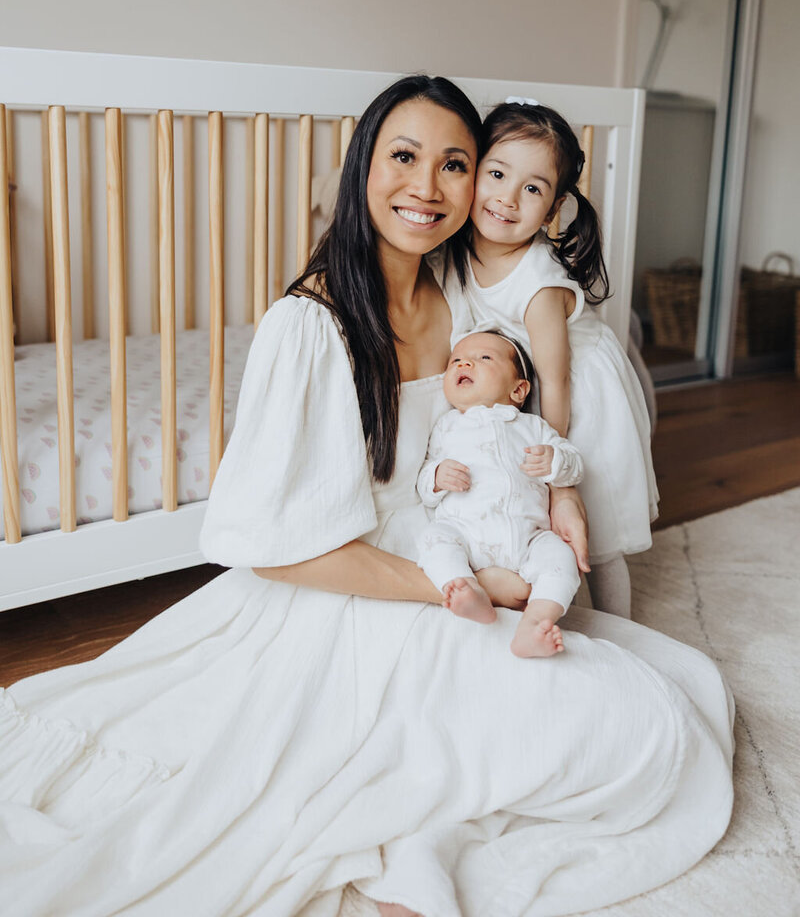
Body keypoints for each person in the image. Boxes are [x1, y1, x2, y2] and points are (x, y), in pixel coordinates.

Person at [0, 76, 732, 917]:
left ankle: (430, 817)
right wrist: (464, 587)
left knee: (669, 711)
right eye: (404, 157)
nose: (427, 187)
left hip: (447, 541)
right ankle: (415, 822)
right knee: (631, 735)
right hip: (360, 581)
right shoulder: (310, 326)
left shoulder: (457, 293)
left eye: (455, 164)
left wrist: (552, 502)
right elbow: (275, 549)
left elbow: (523, 404)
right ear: (363, 169)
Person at [447, 98, 659, 619]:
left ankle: (621, 631)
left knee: (597, 528)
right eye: (496, 174)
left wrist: (553, 474)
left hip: (578, 394)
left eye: (533, 188)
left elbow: (556, 383)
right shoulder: (457, 250)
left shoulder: (539, 280)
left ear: (555, 206)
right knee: (522, 519)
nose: (507, 198)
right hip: (527, 384)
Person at [416, 329, 582, 657]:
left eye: (483, 358)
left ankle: (536, 623)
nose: (464, 362)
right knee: (433, 539)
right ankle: (466, 589)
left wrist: (555, 460)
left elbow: (574, 466)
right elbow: (423, 480)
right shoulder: (446, 427)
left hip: (531, 536)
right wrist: (436, 476)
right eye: (456, 361)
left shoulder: (533, 426)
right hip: (465, 532)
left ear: (518, 389)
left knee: (561, 557)